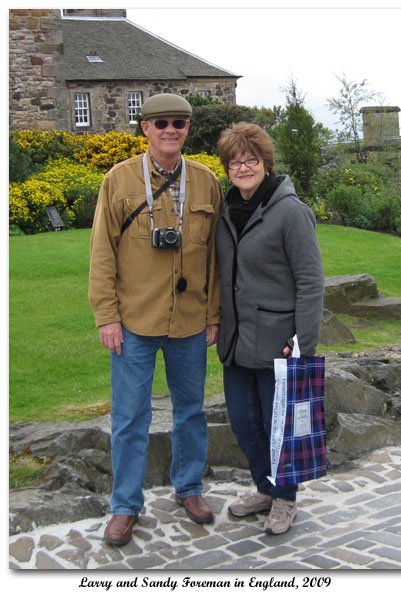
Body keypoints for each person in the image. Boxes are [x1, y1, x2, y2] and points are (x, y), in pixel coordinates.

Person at [89, 93, 222, 546]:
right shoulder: (119, 179)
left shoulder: (206, 182)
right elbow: (102, 254)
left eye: (179, 123)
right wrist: (107, 317)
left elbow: (217, 260)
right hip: (133, 322)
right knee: (129, 417)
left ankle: (189, 488)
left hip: (189, 321)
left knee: (191, 413)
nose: (170, 130)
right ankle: (125, 505)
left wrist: (214, 313)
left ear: (188, 129)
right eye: (161, 122)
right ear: (145, 127)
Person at [215, 123, 325, 535]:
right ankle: (265, 487)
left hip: (279, 343)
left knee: (282, 427)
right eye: (235, 161)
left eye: (251, 159)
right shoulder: (227, 209)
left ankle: (286, 499)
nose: (243, 167)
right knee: (245, 424)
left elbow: (311, 281)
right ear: (227, 168)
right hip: (236, 340)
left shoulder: (290, 212)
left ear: (265, 163)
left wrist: (303, 342)